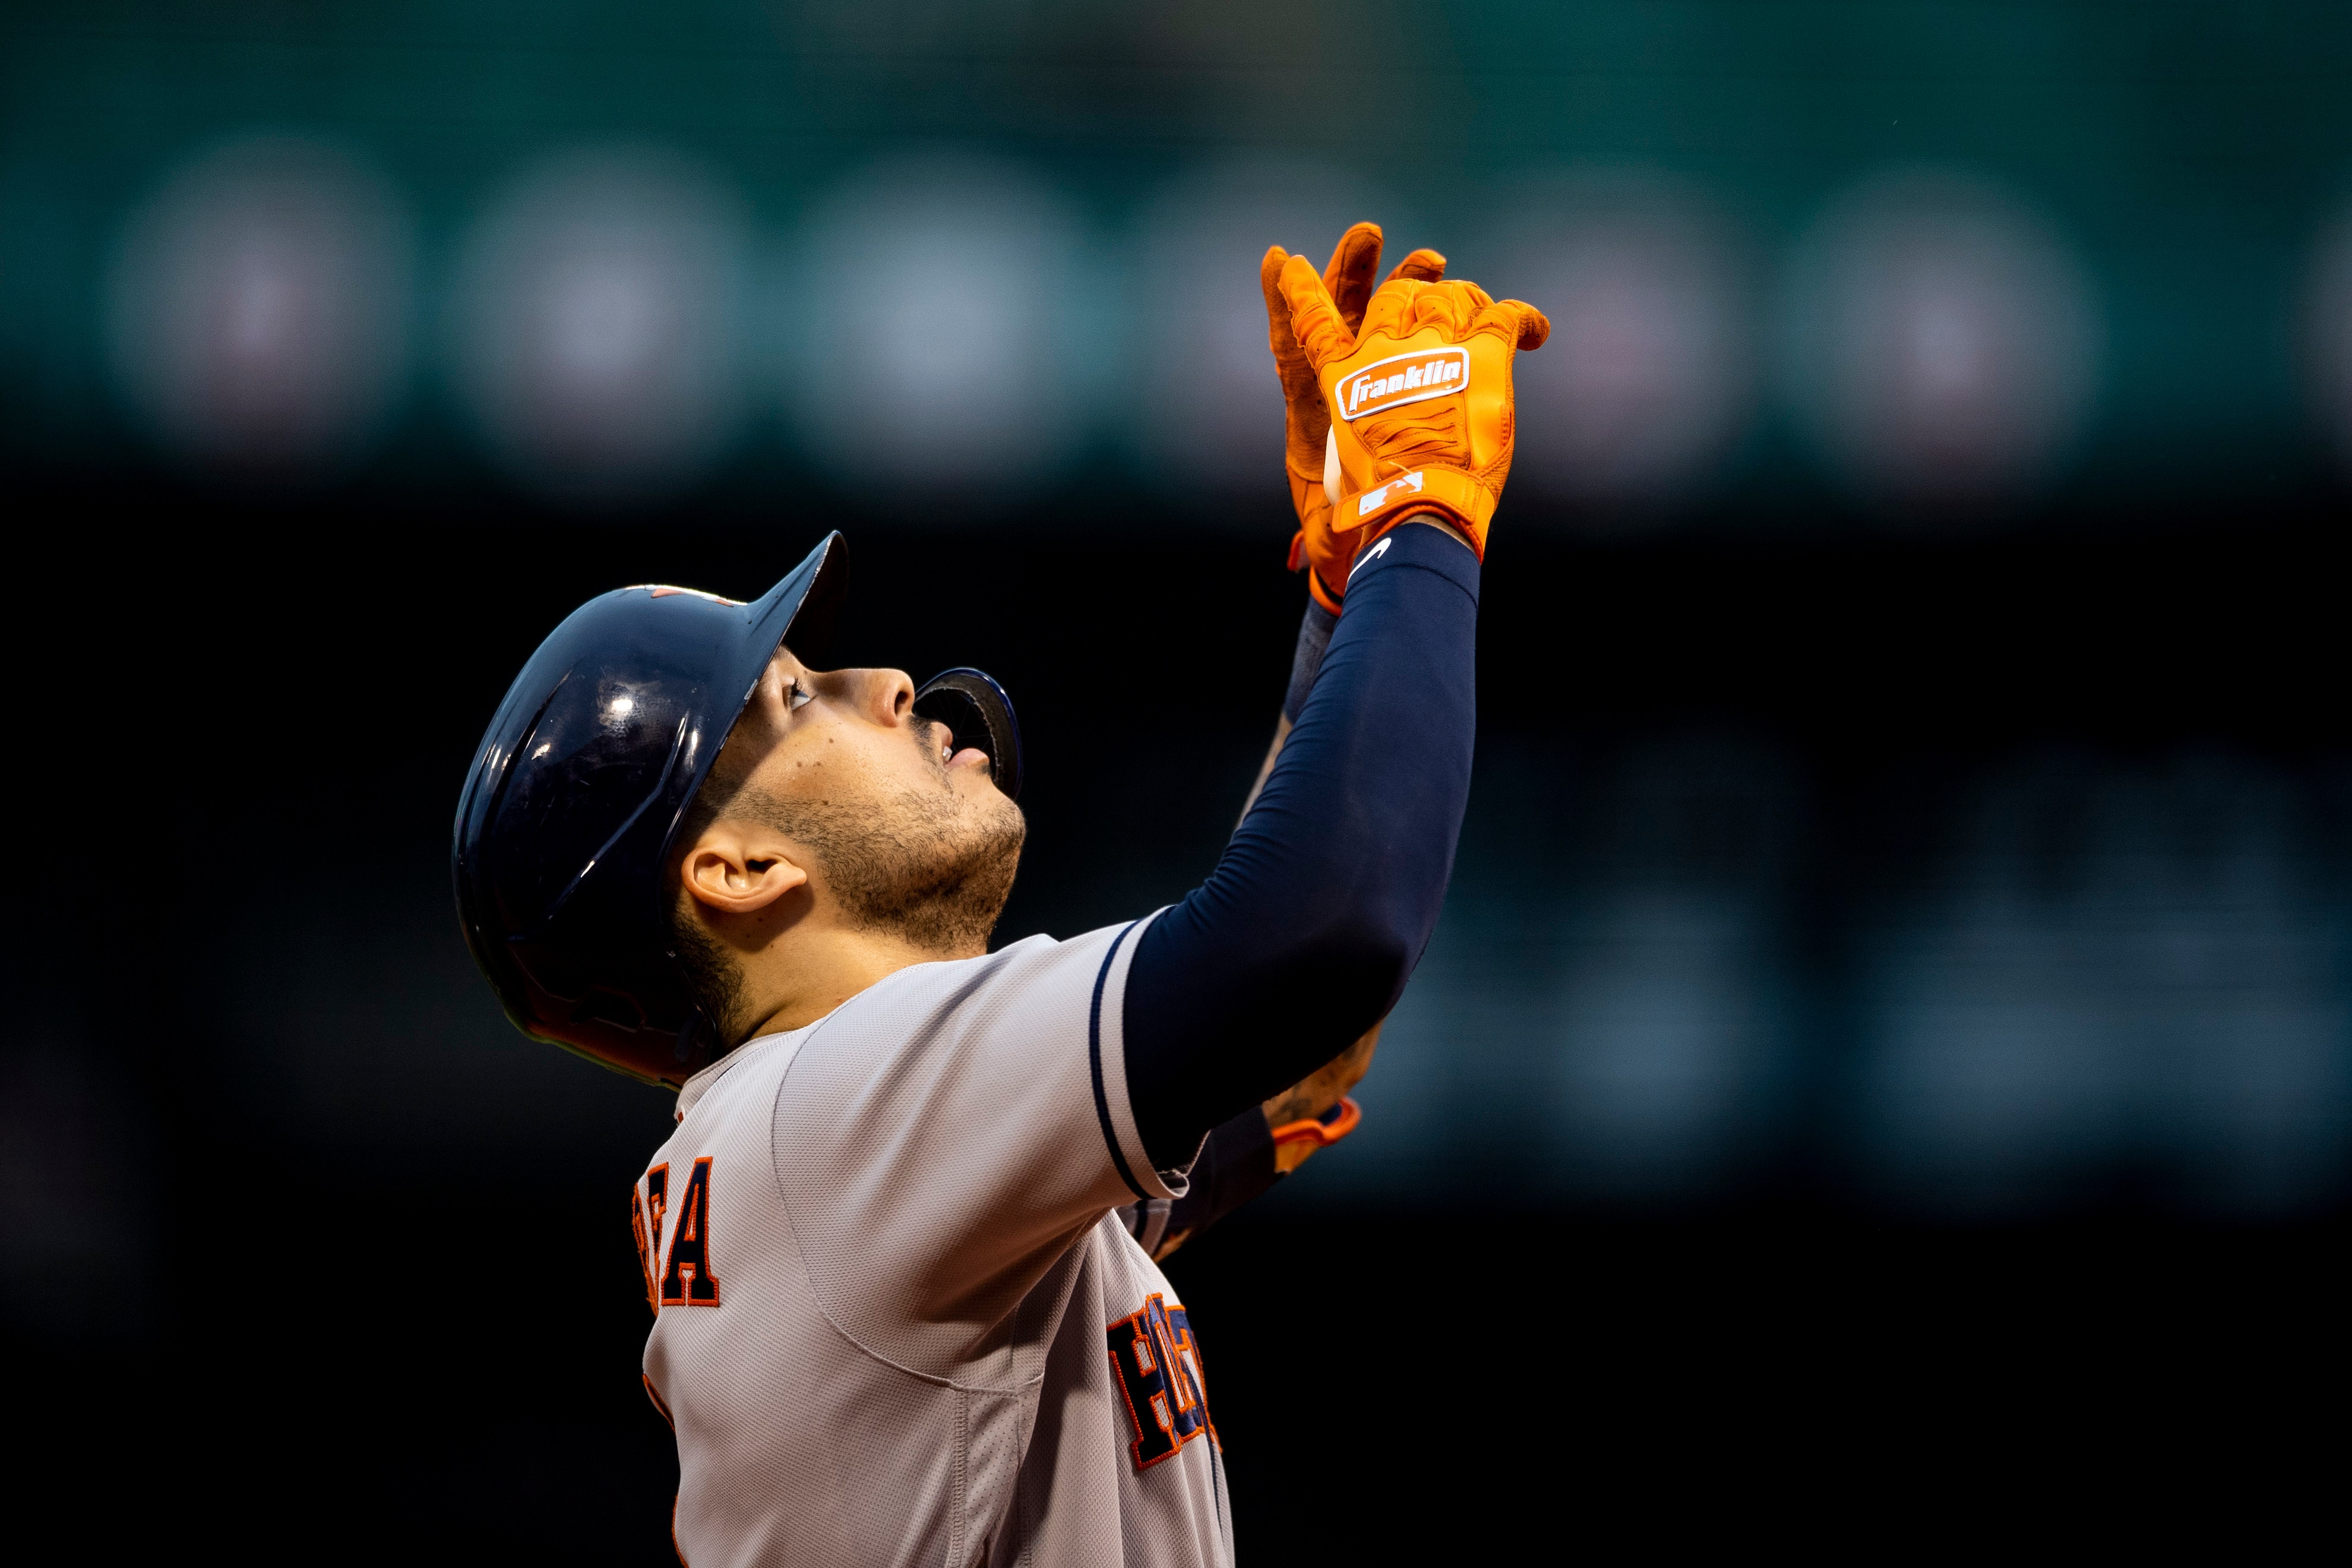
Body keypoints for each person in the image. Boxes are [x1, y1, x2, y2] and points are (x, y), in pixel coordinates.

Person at [452, 222, 1545, 1565]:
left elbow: (1293, 1046)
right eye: (794, 700)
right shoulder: (834, 1112)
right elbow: (1324, 930)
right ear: (738, 874)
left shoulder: (832, 1147)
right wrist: (1415, 520)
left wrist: (1338, 600)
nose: (886, 684)